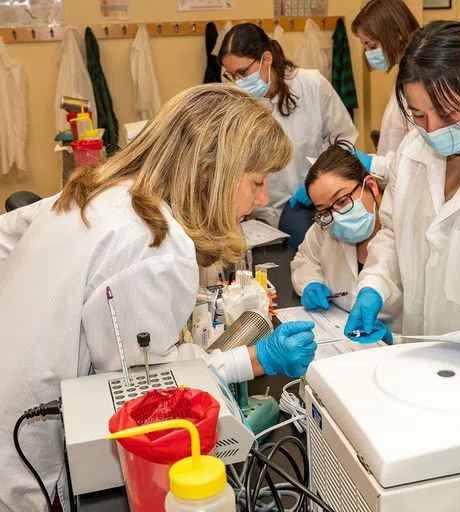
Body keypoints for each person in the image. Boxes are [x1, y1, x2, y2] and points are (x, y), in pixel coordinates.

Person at [0, 85, 317, 511]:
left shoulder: (99, 190)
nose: (262, 200)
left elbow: (7, 235)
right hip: (27, 460)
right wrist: (255, 359)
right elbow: (143, 384)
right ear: (210, 174)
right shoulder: (156, 244)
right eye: (256, 182)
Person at [344, 22, 460, 344]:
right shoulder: (412, 151)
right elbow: (393, 235)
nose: (432, 130)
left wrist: (459, 353)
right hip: (418, 351)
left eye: (447, 115)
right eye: (418, 116)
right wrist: (374, 285)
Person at [218, 23, 358, 232]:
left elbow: (344, 140)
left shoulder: (311, 85)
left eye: (242, 72)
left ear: (266, 59)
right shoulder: (235, 103)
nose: (238, 82)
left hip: (317, 205)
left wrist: (320, 178)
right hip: (263, 215)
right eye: (231, 75)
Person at [291, 141, 384, 314]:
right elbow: (305, 259)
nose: (337, 217)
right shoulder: (325, 226)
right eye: (325, 210)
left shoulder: (402, 228)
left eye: (342, 201)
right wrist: (311, 283)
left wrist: (396, 335)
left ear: (371, 185)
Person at [350, 0, 420, 180]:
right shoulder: (403, 76)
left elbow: (416, 158)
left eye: (372, 46)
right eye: (365, 47)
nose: (368, 53)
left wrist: (371, 163)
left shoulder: (418, 82)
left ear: (396, 34)